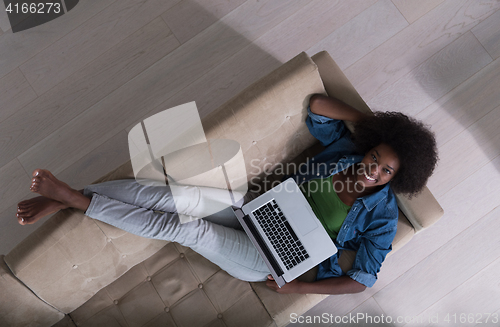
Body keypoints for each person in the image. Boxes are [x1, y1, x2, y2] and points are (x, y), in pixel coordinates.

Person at [16, 94, 438, 295]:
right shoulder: (349, 150)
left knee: (185, 230)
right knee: (174, 197)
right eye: (376, 156)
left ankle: (76, 199)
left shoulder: (381, 217)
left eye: (386, 171)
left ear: (395, 181)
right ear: (370, 146)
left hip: (273, 257)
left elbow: (361, 282)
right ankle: (69, 197)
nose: (374, 170)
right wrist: (372, 127)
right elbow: (318, 107)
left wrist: (295, 290)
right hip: (254, 210)